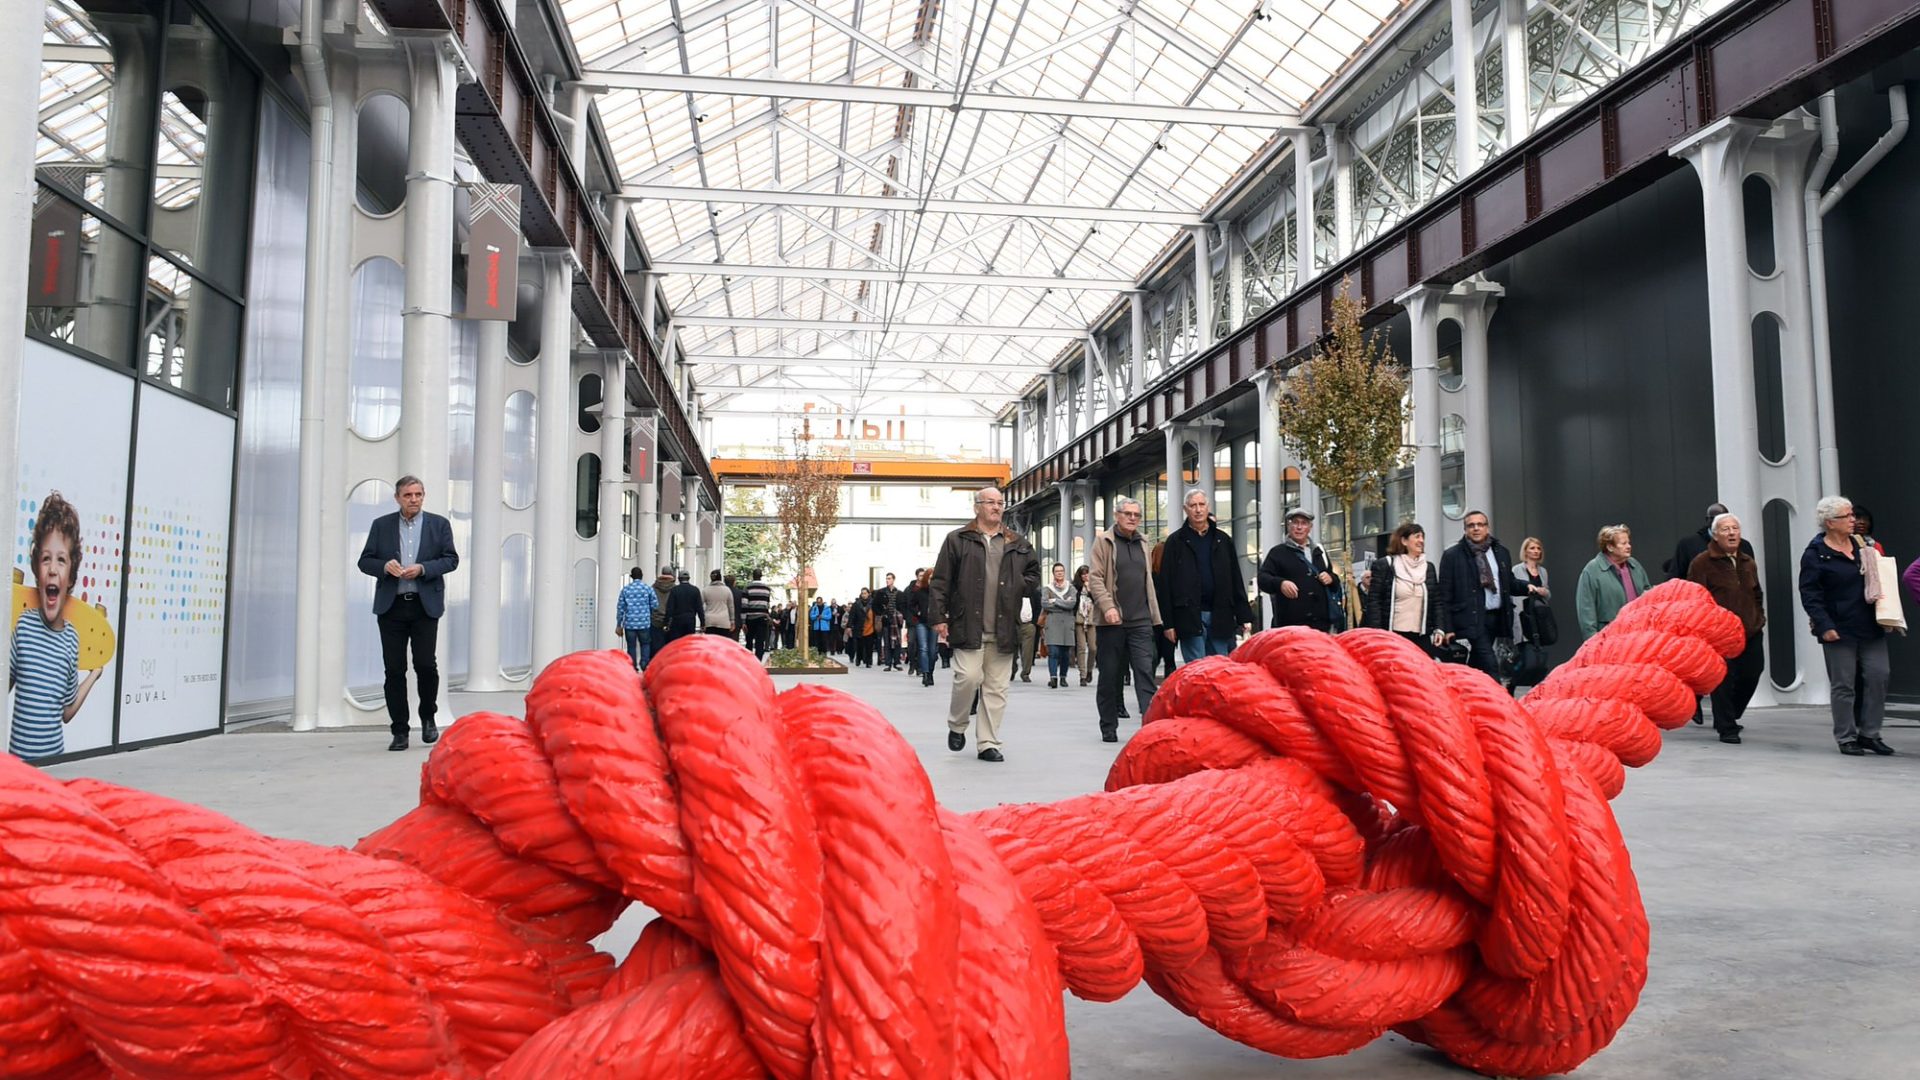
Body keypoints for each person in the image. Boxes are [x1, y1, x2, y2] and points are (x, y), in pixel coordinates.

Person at [929, 486, 1040, 763]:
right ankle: (957, 723)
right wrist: (939, 617)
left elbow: (1034, 573)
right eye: (990, 502)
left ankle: (988, 742)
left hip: (1005, 626)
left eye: (1000, 502)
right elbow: (940, 581)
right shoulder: (958, 539)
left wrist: (1018, 587)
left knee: (996, 688)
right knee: (967, 677)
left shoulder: (1018, 542)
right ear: (976, 506)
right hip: (968, 623)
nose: (996, 507)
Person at [356, 475, 460, 751]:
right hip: (392, 607)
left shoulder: (439, 524)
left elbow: (451, 559)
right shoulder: (382, 526)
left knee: (426, 665)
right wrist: (384, 566)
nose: (414, 499)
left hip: (425, 606)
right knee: (394, 669)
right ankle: (399, 730)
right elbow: (364, 561)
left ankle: (428, 717)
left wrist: (424, 568)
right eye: (408, 495)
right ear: (398, 498)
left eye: (418, 494)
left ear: (423, 496)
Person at [8, 492, 105, 760]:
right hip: (20, 771)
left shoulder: (71, 639)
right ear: (37, 570)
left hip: (55, 768)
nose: (52, 569)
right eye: (46, 559)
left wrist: (93, 675)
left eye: (61, 560)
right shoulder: (24, 627)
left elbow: (66, 711)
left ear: (71, 576)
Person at [1800, 496, 1893, 757]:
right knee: (1844, 685)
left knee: (1879, 676)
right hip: (1838, 628)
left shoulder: (1864, 546)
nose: (1854, 520)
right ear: (1830, 522)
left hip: (1870, 625)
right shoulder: (1815, 554)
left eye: (1853, 515)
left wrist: (1889, 615)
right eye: (1848, 516)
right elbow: (1810, 594)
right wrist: (1824, 624)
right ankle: (1846, 736)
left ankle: (1870, 734)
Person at [1088, 497, 1172, 742]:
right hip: (1111, 622)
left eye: (1137, 514)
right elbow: (1095, 579)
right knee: (1110, 675)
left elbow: (1147, 581)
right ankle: (1108, 726)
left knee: (1145, 672)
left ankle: (1149, 727)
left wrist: (1155, 615)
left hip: (1141, 620)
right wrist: (1108, 607)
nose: (1132, 518)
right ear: (1117, 515)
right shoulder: (1103, 541)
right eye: (1128, 514)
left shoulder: (1143, 542)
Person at [1688, 513, 1764, 744]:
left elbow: (1757, 593)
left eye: (1735, 528)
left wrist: (1759, 618)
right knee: (1722, 679)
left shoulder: (1747, 562)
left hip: (1750, 630)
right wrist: (1706, 628)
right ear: (1714, 535)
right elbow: (1695, 598)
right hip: (1719, 632)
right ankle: (1726, 726)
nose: (1731, 533)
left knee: (1752, 673)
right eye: (1725, 529)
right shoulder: (1702, 562)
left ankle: (1733, 713)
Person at [1161, 490, 1253, 661]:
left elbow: (1235, 578)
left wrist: (1244, 615)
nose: (1198, 510)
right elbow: (1165, 584)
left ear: (1208, 507)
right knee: (1197, 669)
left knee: (1221, 666)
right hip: (1189, 615)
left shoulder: (1223, 540)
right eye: (1193, 505)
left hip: (1221, 614)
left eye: (1201, 505)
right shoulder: (1175, 542)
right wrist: (1168, 624)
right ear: (1185, 509)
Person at [1437, 510, 1518, 682]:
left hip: (1497, 617)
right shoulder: (1453, 555)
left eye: (1480, 524)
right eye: (1471, 525)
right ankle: (1500, 702)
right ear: (1465, 530)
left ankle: (1468, 698)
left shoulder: (1501, 552)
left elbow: (1508, 582)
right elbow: (1444, 595)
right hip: (1471, 619)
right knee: (1490, 664)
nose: (1476, 528)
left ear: (1487, 528)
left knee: (1476, 664)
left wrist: (1530, 588)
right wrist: (1447, 627)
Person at [1362, 521, 1449, 654]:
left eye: (1422, 537)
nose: (1421, 541)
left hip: (1421, 636)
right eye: (1417, 536)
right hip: (1393, 636)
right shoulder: (1385, 565)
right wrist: (1377, 634)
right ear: (1404, 540)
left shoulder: (1428, 568)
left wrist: (1439, 629)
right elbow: (1374, 602)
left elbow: (1436, 601)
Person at [1258, 508, 1342, 632]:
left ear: (1310, 527)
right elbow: (1263, 578)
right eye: (1295, 523)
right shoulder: (1278, 552)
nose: (1299, 527)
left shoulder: (1319, 551)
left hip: (1321, 626)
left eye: (1303, 523)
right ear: (1289, 525)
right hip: (1290, 626)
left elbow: (1334, 581)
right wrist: (1280, 583)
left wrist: (1331, 578)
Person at [1575, 524, 1651, 638]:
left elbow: (1648, 592)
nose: (1629, 546)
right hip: (1611, 637)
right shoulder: (1592, 570)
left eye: (1629, 542)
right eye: (1623, 543)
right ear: (1610, 547)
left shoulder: (1634, 565)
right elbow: (1586, 610)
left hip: (1639, 634)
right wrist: (1593, 642)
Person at [1510, 537, 1555, 689]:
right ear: (1525, 551)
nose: (1536, 551)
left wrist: (1544, 591)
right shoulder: (1517, 570)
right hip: (1523, 616)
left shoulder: (1543, 571)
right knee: (1526, 655)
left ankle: (1535, 687)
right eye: (1532, 548)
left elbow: (1548, 594)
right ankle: (1514, 682)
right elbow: (1514, 592)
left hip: (1539, 618)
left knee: (1539, 657)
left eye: (1538, 548)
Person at [1664, 502, 1751, 579]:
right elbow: (1674, 579)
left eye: (1723, 518)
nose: (1718, 522)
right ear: (1707, 520)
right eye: (1715, 518)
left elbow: (1752, 582)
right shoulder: (1688, 545)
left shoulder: (1743, 546)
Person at [1041, 562, 1079, 688]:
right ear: (1053, 573)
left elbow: (1072, 604)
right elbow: (1045, 604)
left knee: (1065, 653)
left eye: (1061, 571)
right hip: (1052, 622)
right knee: (1053, 651)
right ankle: (1053, 678)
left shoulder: (1071, 588)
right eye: (1057, 571)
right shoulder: (1047, 588)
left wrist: (1055, 601)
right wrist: (1064, 603)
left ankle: (1063, 677)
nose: (1059, 573)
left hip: (1067, 622)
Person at [615, 567, 659, 670]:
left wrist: (619, 625)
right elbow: (655, 605)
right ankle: (644, 663)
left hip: (629, 624)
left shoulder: (625, 589)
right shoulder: (648, 589)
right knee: (645, 644)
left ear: (632, 577)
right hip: (644, 623)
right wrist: (647, 611)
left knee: (631, 646)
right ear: (641, 576)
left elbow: (620, 608)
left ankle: (633, 667)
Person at [908, 567, 936, 686]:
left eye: (933, 578)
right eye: (929, 578)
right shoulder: (919, 592)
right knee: (923, 648)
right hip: (921, 622)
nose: (931, 581)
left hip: (934, 622)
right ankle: (925, 673)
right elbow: (911, 604)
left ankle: (930, 673)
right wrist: (917, 612)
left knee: (933, 651)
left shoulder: (938, 593)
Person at [1072, 565, 1097, 687]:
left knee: (1093, 648)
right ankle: (1082, 675)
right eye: (1083, 574)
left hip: (1092, 619)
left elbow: (1098, 600)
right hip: (1079, 619)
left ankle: (1089, 670)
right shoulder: (1075, 587)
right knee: (1081, 648)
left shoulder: (1096, 585)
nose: (1085, 576)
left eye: (1087, 573)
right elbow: (1073, 603)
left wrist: (1090, 589)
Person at [741, 570, 773, 658]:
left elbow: (744, 605)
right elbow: (767, 604)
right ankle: (758, 661)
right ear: (761, 576)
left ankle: (749, 659)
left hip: (750, 618)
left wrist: (743, 621)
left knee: (749, 641)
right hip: (762, 618)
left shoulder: (747, 588)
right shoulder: (766, 588)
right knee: (760, 641)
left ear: (753, 576)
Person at [874, 573, 903, 670]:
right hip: (886, 620)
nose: (887, 580)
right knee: (887, 642)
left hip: (896, 620)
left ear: (893, 579)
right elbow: (875, 606)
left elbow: (903, 606)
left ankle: (897, 662)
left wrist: (900, 615)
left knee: (897, 641)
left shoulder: (899, 593)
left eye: (889, 578)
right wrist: (882, 614)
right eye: (886, 578)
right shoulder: (881, 592)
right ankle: (888, 663)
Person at [664, 570, 704, 642]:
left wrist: (666, 622)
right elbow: (699, 608)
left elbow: (670, 608)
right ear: (689, 578)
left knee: (677, 642)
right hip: (690, 620)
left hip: (677, 621)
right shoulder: (695, 590)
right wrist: (702, 623)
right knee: (689, 642)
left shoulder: (674, 590)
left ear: (679, 579)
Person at [701, 570, 736, 638]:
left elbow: (700, 605)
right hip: (723, 621)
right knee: (722, 644)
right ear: (720, 578)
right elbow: (731, 607)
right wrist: (732, 621)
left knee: (711, 644)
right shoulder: (727, 590)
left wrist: (702, 621)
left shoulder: (705, 590)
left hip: (709, 621)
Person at [1014, 593, 1041, 682]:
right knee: (1012, 651)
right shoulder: (1012, 590)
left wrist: (1033, 623)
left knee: (1027, 651)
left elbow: (1038, 607)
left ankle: (1025, 673)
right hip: (1014, 625)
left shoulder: (1034, 593)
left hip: (1028, 624)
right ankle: (1012, 669)